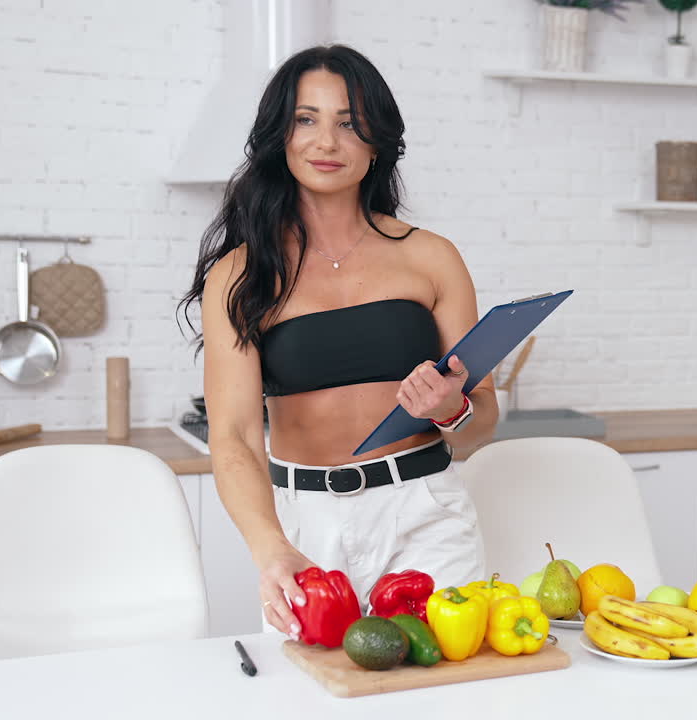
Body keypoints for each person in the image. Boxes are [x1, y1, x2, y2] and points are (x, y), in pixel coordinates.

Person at [178, 45, 496, 640]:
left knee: (439, 682)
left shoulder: (432, 257)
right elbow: (235, 436)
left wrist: (450, 407)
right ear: (281, 135)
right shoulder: (241, 275)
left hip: (425, 514)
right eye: (307, 119)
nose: (326, 142)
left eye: (349, 124)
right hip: (303, 528)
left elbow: (483, 423)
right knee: (310, 686)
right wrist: (271, 547)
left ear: (378, 143)